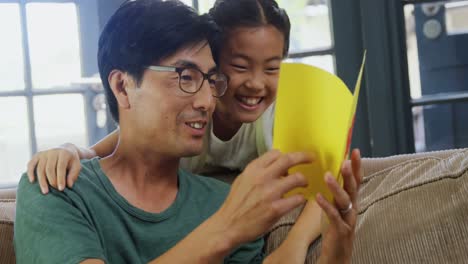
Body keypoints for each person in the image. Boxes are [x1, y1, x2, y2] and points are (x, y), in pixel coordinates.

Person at [15, 1, 361, 263]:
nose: (208, 100)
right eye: (185, 77)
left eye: (211, 80)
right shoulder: (55, 188)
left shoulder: (226, 202)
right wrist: (226, 228)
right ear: (122, 87)